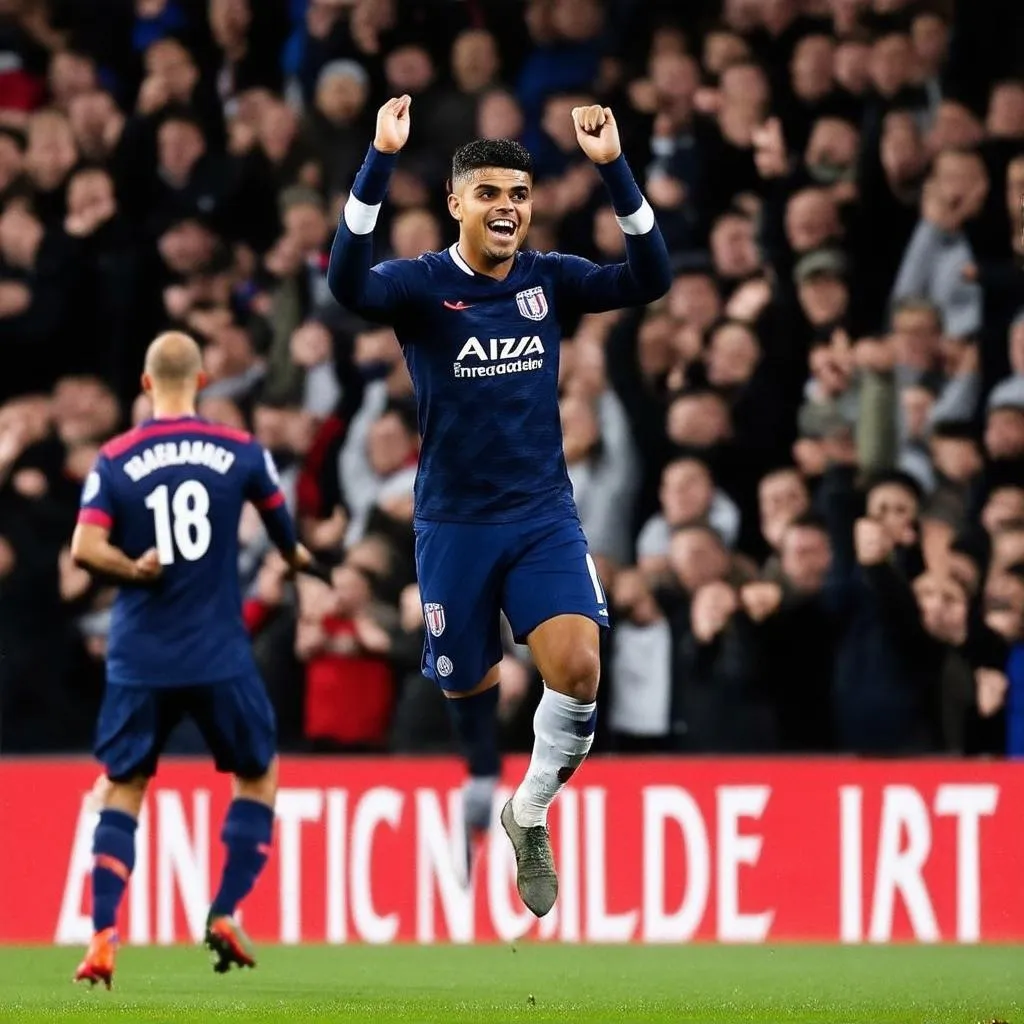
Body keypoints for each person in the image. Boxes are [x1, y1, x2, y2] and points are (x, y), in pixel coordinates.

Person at [327, 95, 671, 916]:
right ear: (456, 204)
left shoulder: (548, 280)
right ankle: (489, 785)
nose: (508, 207)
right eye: (489, 193)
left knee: (578, 668)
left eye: (519, 194)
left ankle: (531, 812)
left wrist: (614, 168)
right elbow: (345, 281)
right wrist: (378, 158)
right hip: (452, 525)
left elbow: (651, 276)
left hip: (542, 515)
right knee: (466, 681)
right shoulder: (420, 286)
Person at [71, 332, 313, 986]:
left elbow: (85, 550)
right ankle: (226, 909)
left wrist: (132, 567)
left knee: (122, 788)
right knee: (258, 777)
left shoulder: (116, 457)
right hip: (218, 653)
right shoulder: (241, 450)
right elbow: (285, 540)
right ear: (203, 380)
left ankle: (101, 935)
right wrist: (307, 566)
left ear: (147, 386)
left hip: (138, 657)